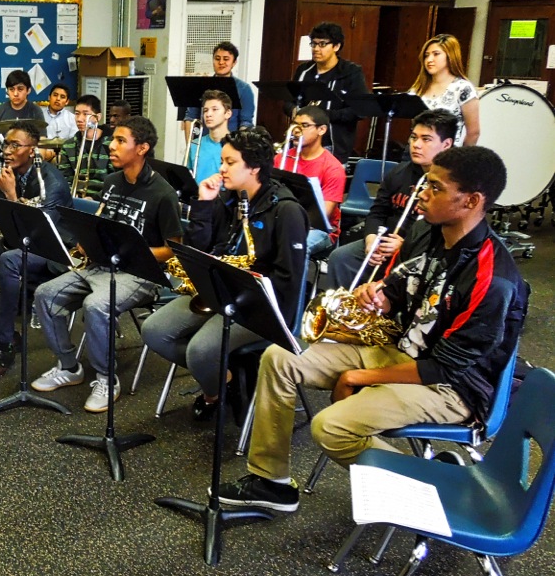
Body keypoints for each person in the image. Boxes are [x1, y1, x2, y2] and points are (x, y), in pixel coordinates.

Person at [218, 146, 527, 513]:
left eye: (436, 187)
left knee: (331, 427)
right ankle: (272, 483)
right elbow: (401, 286)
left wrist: (357, 376)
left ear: (472, 201)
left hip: (451, 388)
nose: (422, 194)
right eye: (425, 183)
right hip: (402, 351)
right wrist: (381, 297)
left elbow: (444, 368)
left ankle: (443, 490)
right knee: (280, 357)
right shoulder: (429, 231)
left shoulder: (493, 280)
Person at [142, 126, 308, 422]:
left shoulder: (286, 210)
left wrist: (242, 284)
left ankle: (212, 393)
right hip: (219, 291)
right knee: (154, 331)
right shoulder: (229, 199)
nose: (221, 169)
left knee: (201, 351)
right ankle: (227, 379)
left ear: (254, 167)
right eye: (222, 161)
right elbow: (196, 249)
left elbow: (288, 280)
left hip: (260, 307)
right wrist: (204, 204)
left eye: (230, 162)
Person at [32, 116, 183, 413]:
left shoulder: (163, 194)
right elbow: (102, 222)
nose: (111, 146)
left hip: (139, 274)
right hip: (102, 264)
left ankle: (106, 379)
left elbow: (172, 250)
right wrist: (89, 239)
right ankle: (69, 367)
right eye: (113, 139)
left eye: (120, 141)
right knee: (45, 294)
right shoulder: (112, 182)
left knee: (96, 304)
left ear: (142, 148)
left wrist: (132, 250)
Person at [0, 120, 72, 381]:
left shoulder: (51, 182)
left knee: (9, 261)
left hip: (53, 250)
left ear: (32, 150)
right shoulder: (12, 172)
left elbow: (42, 231)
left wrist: (11, 196)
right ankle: (4, 332)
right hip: (21, 240)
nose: (7, 151)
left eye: (15, 145)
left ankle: (5, 347)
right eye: (6, 145)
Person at [324, 110, 457, 290]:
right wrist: (371, 241)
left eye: (426, 139)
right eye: (413, 137)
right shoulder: (398, 173)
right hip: (384, 243)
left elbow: (445, 232)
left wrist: (405, 246)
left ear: (446, 144)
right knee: (341, 257)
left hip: (420, 251)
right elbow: (377, 212)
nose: (416, 145)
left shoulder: (452, 183)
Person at [293, 22, 370, 164]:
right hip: (302, 140)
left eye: (322, 44)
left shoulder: (351, 72)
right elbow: (290, 100)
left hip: (333, 145)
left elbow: (361, 110)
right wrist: (293, 110)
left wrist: (325, 116)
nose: (316, 49)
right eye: (313, 44)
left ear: (336, 46)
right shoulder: (303, 70)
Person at [273, 105, 345, 256]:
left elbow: (322, 215)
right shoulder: (281, 158)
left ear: (322, 130)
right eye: (294, 124)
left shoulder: (333, 168)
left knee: (296, 246)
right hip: (282, 219)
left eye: (304, 125)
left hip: (319, 229)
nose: (296, 131)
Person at [409, 34, 479, 146]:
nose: (429, 60)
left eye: (436, 54)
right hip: (418, 149)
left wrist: (461, 156)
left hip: (447, 152)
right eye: (426, 55)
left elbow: (473, 132)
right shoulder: (418, 88)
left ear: (450, 56)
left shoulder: (463, 88)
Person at [183, 42, 256, 131]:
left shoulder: (244, 89)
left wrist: (239, 140)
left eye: (226, 59)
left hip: (231, 138)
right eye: (217, 59)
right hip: (204, 138)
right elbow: (190, 118)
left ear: (234, 62)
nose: (221, 62)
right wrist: (190, 140)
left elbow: (246, 122)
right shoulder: (200, 86)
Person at [55, 94, 112, 199]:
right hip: (76, 199)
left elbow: (116, 182)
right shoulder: (68, 146)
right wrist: (72, 195)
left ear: (98, 117)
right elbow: (64, 178)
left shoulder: (111, 144)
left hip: (103, 200)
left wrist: (95, 198)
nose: (80, 119)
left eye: (86, 114)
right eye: (77, 114)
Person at [184, 90, 232, 182]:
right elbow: (186, 178)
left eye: (215, 109)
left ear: (227, 113)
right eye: (205, 110)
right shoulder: (195, 144)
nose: (208, 114)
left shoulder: (237, 146)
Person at [0, 70, 46, 139]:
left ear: (28, 90)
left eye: (20, 89)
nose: (15, 94)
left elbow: (42, 140)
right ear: (7, 91)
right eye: (11, 89)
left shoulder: (36, 111)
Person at [43, 83, 77, 150]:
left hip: (64, 153)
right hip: (43, 152)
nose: (58, 99)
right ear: (49, 97)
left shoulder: (72, 119)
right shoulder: (39, 116)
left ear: (67, 101)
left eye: (62, 97)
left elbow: (73, 143)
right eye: (55, 95)